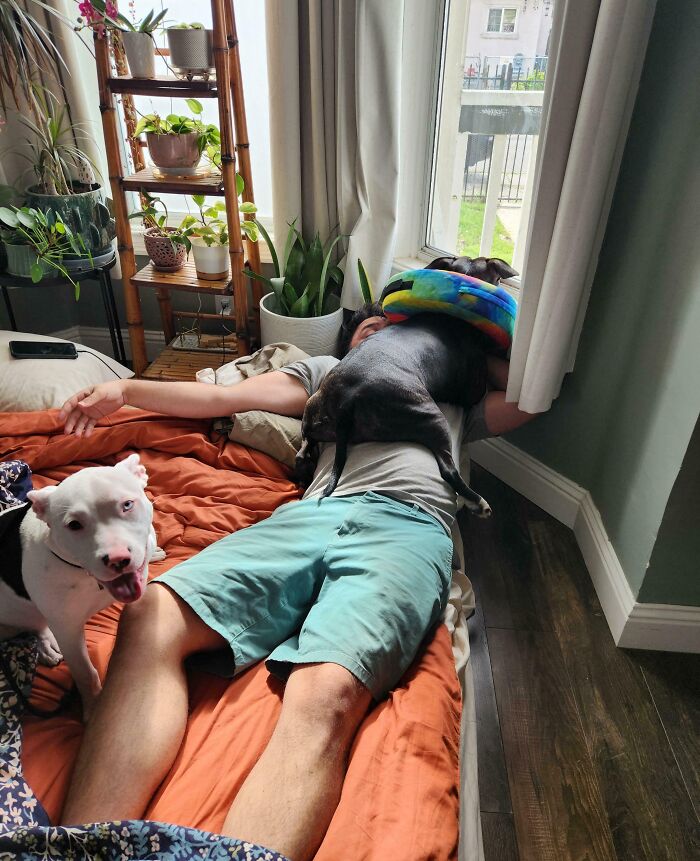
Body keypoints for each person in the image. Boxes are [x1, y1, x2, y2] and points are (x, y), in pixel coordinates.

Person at [58, 304, 535, 861]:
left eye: (398, 325)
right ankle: (74, 851)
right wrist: (125, 390)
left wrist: (463, 337)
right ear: (351, 339)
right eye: (371, 325)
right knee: (151, 612)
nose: (384, 330)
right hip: (305, 519)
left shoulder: (450, 394)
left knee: (327, 688)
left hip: (408, 523)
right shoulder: (326, 373)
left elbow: (531, 394)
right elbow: (220, 399)